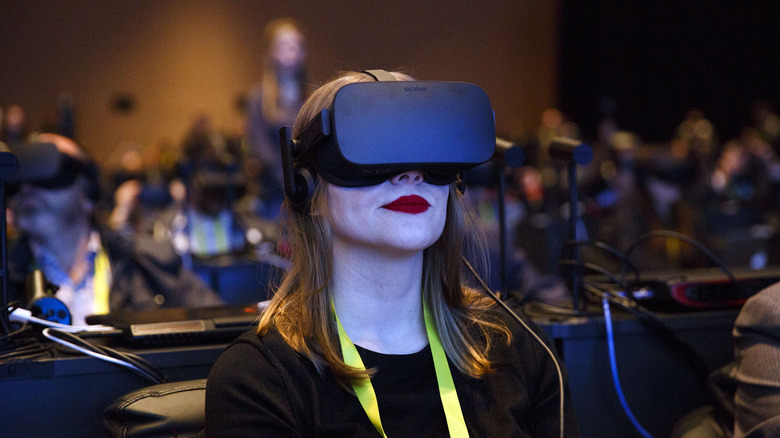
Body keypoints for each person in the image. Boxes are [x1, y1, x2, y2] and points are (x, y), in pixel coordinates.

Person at [206, 70, 580, 437]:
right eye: (374, 149)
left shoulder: (519, 351)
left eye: (427, 151)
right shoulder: (261, 381)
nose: (410, 174)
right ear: (306, 187)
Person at [5, 133, 223, 326]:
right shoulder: (5, 279)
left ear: (88, 192)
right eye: (18, 178)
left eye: (46, 169)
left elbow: (219, 324)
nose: (26, 188)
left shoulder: (147, 263)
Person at [245, 17, 309, 219]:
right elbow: (259, 145)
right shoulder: (258, 98)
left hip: (307, 185)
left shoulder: (311, 95)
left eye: (295, 44)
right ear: (271, 52)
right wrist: (286, 176)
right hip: (273, 191)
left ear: (302, 51)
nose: (290, 49)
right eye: (283, 44)